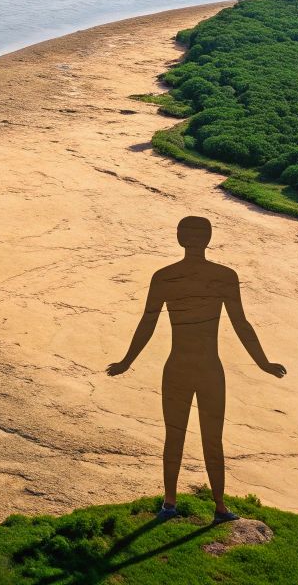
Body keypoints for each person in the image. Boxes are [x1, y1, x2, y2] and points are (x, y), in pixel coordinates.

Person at [106, 216, 285, 522]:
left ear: (179, 238)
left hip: (178, 368)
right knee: (211, 440)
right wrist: (263, 363)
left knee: (174, 437)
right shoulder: (223, 276)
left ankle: (172, 504)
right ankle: (217, 507)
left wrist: (127, 361)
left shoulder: (165, 276)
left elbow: (148, 323)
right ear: (208, 238)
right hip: (208, 370)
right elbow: (241, 324)